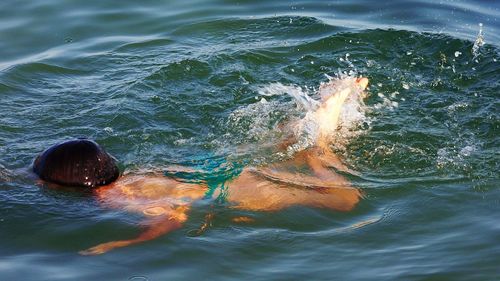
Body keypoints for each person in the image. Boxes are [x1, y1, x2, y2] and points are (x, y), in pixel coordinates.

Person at [33, 77, 369, 255]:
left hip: (230, 189)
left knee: (344, 199)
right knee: (283, 153)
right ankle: (308, 125)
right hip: (205, 168)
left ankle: (318, 146)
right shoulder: (130, 176)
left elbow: (173, 216)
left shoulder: (111, 198)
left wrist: (125, 244)